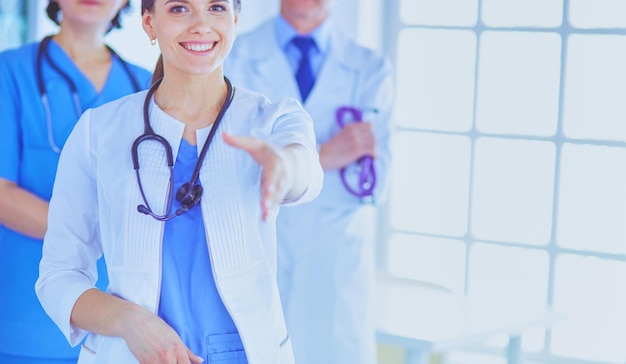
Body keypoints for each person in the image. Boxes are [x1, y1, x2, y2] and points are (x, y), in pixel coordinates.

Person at [35, 0, 323, 363]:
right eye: (179, 9)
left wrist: (285, 167)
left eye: (216, 7)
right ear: (148, 23)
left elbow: (305, 169)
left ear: (235, 19)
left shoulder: (273, 119)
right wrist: (130, 322)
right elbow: (58, 276)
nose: (201, 24)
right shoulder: (99, 132)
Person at [225, 1, 395, 363]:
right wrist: (325, 156)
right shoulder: (235, 55)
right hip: (256, 247)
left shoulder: (370, 69)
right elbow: (227, 166)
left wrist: (283, 162)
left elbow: (376, 183)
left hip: (334, 265)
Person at [0, 1, 151, 363]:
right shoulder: (9, 71)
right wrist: (97, 230)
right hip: (26, 315)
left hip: (125, 318)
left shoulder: (147, 86)